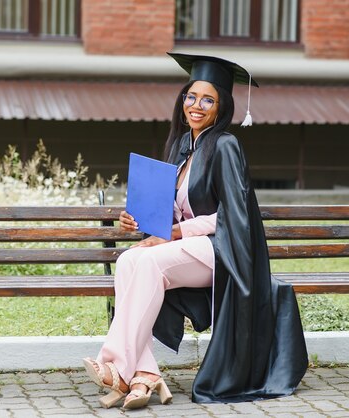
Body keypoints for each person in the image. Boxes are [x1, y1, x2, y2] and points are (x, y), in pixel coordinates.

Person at [83, 52, 308, 410]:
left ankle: (116, 365)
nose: (196, 106)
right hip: (189, 248)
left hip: (220, 251)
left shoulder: (225, 146)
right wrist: (139, 221)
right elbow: (171, 211)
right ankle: (145, 375)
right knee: (129, 260)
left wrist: (175, 233)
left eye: (208, 100)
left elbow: (231, 215)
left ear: (222, 107)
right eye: (191, 97)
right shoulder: (180, 148)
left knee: (150, 263)